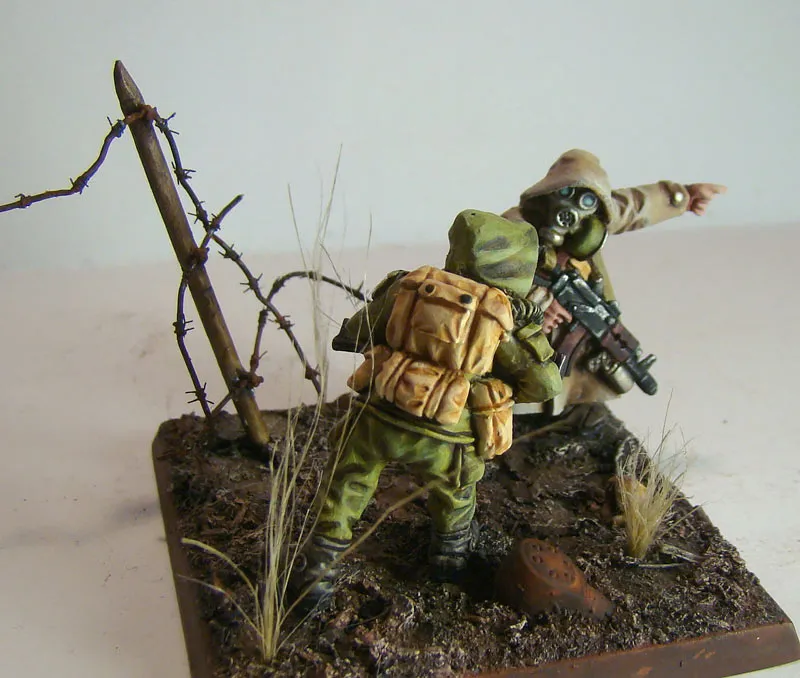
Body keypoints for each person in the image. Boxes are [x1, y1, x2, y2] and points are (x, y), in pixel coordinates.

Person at [288, 209, 562, 611]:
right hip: (448, 436)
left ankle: (318, 569)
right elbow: (544, 386)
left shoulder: (409, 286)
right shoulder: (507, 320)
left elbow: (354, 334)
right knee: (455, 495)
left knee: (347, 483)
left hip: (379, 416)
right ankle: (449, 561)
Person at [501, 149, 726, 427]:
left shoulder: (591, 222)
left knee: (579, 371)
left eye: (586, 199)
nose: (570, 210)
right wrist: (536, 301)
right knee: (524, 377)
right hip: (521, 326)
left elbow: (632, 207)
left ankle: (563, 414)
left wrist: (684, 196)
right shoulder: (513, 227)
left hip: (573, 315)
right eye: (564, 192)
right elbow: (488, 273)